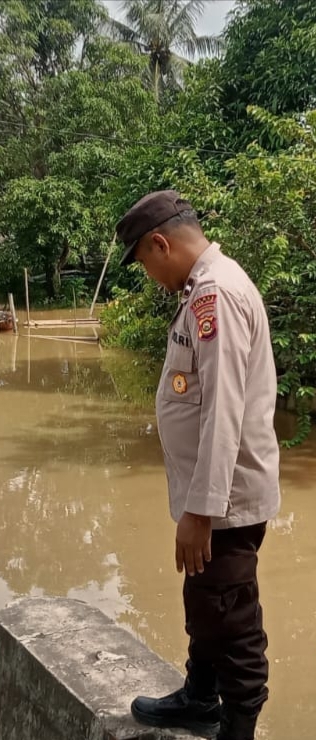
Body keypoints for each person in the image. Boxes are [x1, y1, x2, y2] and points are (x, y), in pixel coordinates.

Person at [115, 190, 281, 740]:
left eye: (144, 262)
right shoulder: (202, 291)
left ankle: (237, 724)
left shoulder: (218, 295)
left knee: (231, 616)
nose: (150, 275)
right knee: (204, 599)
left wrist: (201, 510)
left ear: (161, 243)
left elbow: (224, 409)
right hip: (212, 496)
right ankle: (199, 697)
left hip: (226, 501)